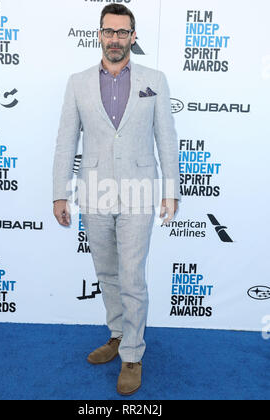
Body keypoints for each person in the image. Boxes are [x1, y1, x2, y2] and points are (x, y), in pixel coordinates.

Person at [53, 4, 181, 396]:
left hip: (140, 192)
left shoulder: (154, 79)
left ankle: (132, 355)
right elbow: (65, 141)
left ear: (133, 37)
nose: (115, 39)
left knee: (131, 275)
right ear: (99, 35)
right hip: (93, 191)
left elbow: (166, 139)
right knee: (107, 272)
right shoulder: (77, 83)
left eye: (122, 32)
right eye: (108, 32)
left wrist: (170, 191)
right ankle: (116, 334)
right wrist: (61, 192)